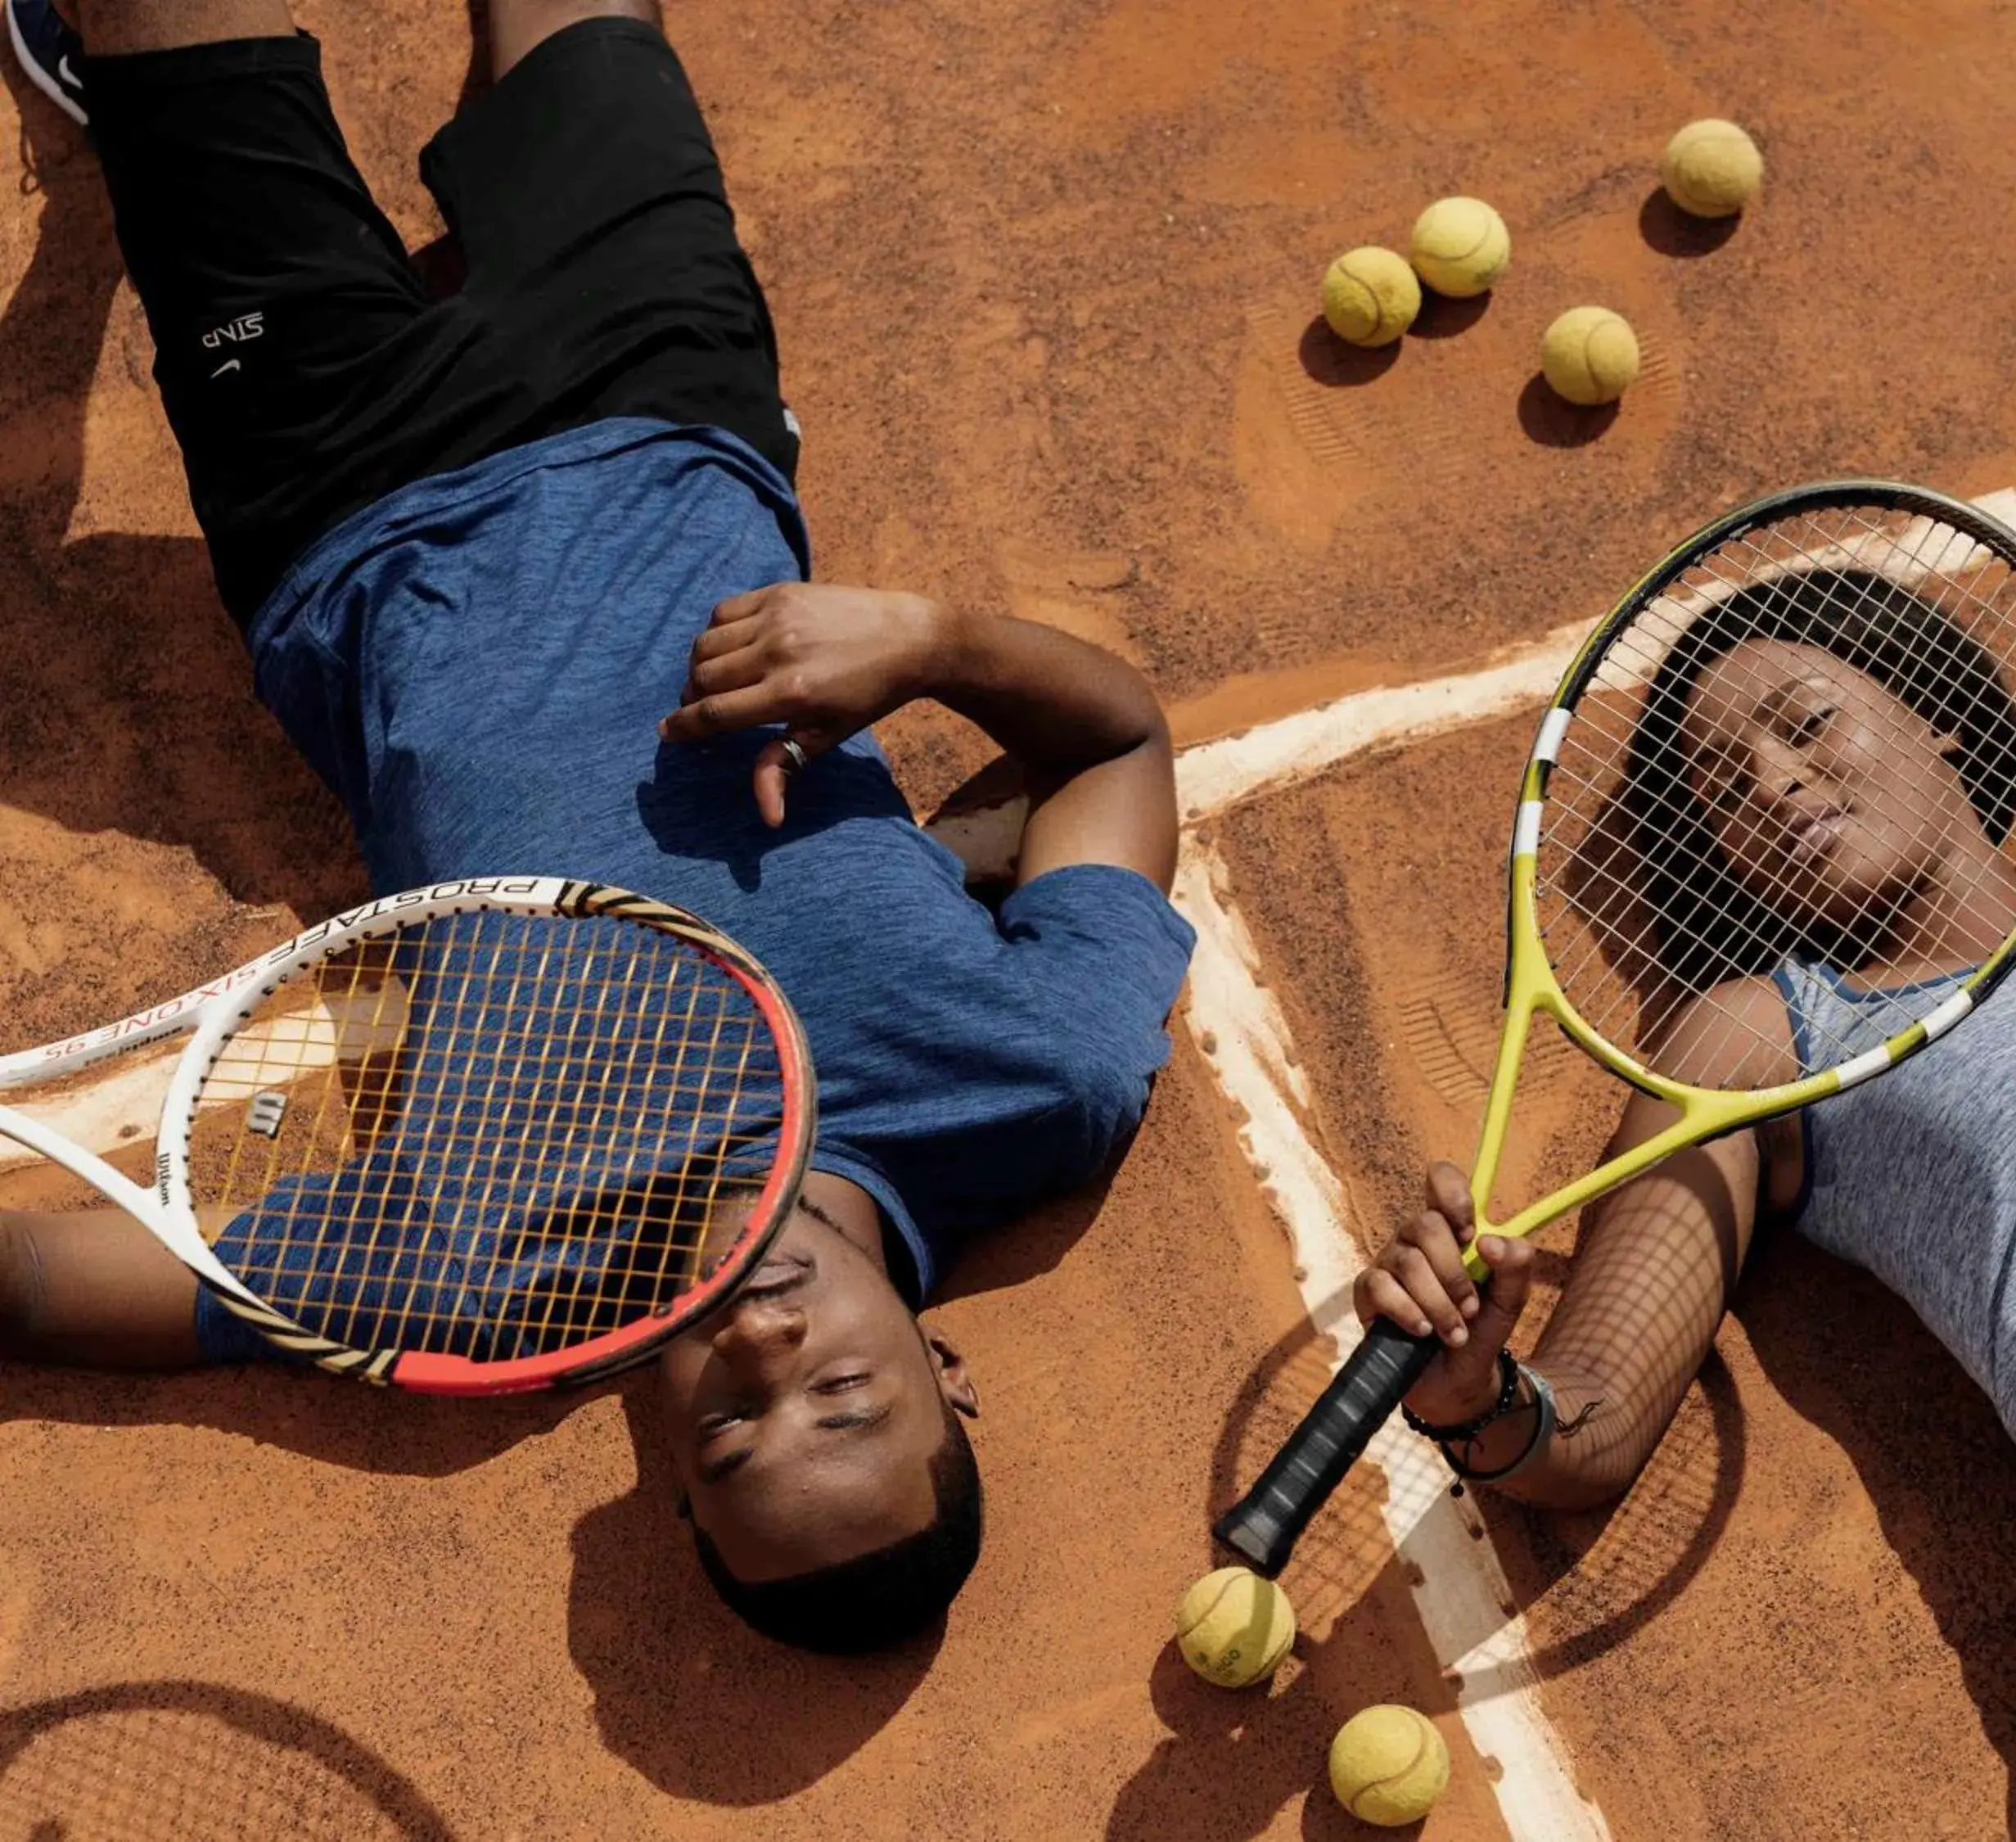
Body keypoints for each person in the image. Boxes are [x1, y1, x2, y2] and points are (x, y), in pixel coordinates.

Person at [0, 0, 1193, 1653]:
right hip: (663, 401)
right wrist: (928, 642)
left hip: (337, 493)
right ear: (946, 1369)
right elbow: (1122, 741)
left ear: (665, 1485)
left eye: (730, 1434)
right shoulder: (1037, 1078)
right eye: (845, 1397)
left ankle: (134, 106)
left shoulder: (482, 1274)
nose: (767, 1359)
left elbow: (46, 1286)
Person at [1353, 571, 2016, 1840]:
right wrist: (1476, 1393)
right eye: (1723, 785)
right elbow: (1589, 1417)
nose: (1771, 781)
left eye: (1806, 722)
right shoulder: (1760, 1038)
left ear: (1935, 711)